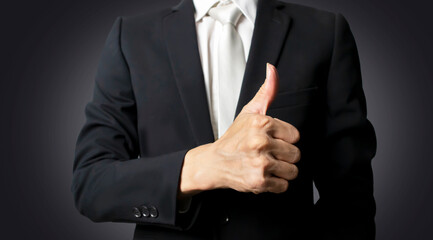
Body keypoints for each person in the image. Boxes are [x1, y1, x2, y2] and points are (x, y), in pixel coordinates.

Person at [72, 0, 377, 239]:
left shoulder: (325, 31)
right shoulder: (132, 37)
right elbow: (92, 183)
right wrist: (206, 165)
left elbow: (351, 199)